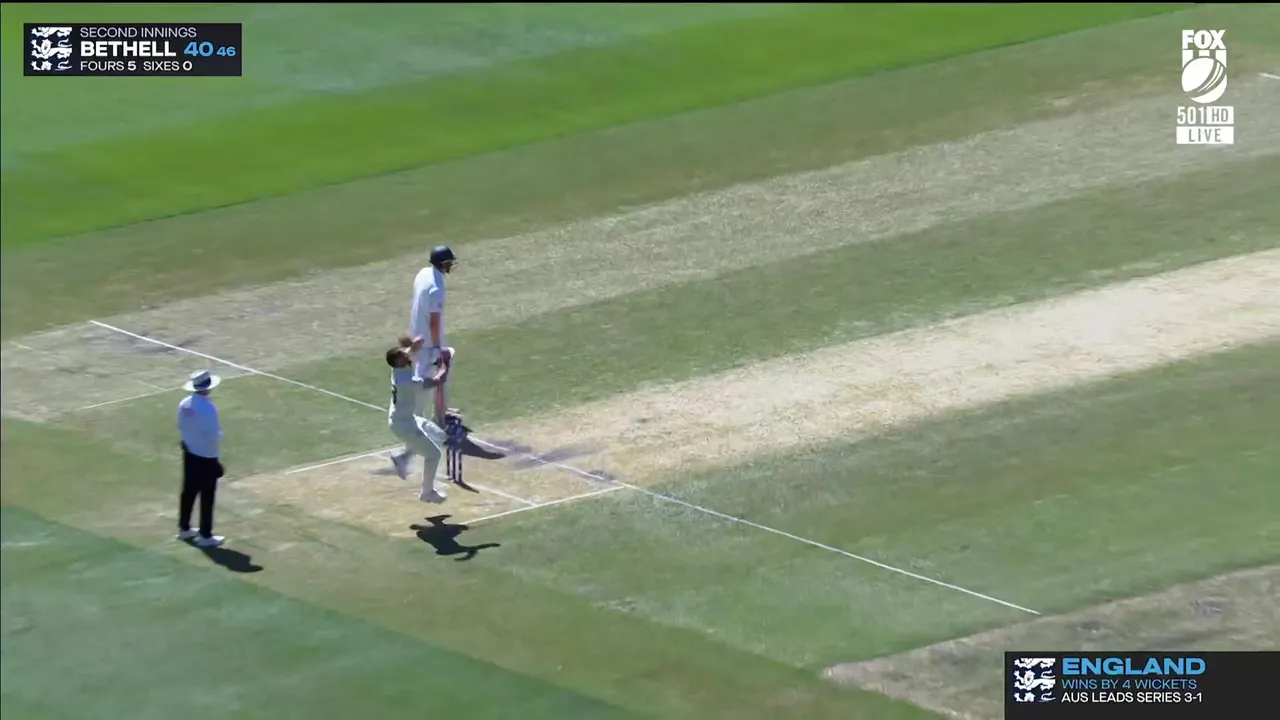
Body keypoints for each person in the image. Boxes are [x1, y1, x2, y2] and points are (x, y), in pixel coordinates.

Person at [385, 335, 453, 504]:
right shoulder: (406, 382)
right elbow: (438, 380)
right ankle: (427, 492)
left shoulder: (397, 368)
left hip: (406, 419)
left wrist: (414, 345)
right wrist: (445, 363)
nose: (406, 354)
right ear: (398, 361)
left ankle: (403, 458)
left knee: (438, 435)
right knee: (434, 455)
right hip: (405, 425)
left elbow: (409, 352)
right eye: (403, 355)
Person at [176, 370, 226, 547]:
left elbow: (180, 425)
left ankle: (184, 528)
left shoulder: (184, 404)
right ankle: (205, 535)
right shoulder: (208, 408)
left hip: (189, 453)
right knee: (207, 496)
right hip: (206, 455)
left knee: (188, 492)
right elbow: (214, 435)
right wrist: (215, 459)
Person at [408, 245, 456, 427]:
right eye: (449, 262)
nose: (451, 265)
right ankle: (424, 418)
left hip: (417, 334)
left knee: (430, 374)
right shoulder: (436, 288)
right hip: (429, 341)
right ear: (443, 263)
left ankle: (440, 410)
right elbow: (434, 320)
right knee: (427, 377)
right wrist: (437, 348)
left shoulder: (423, 273)